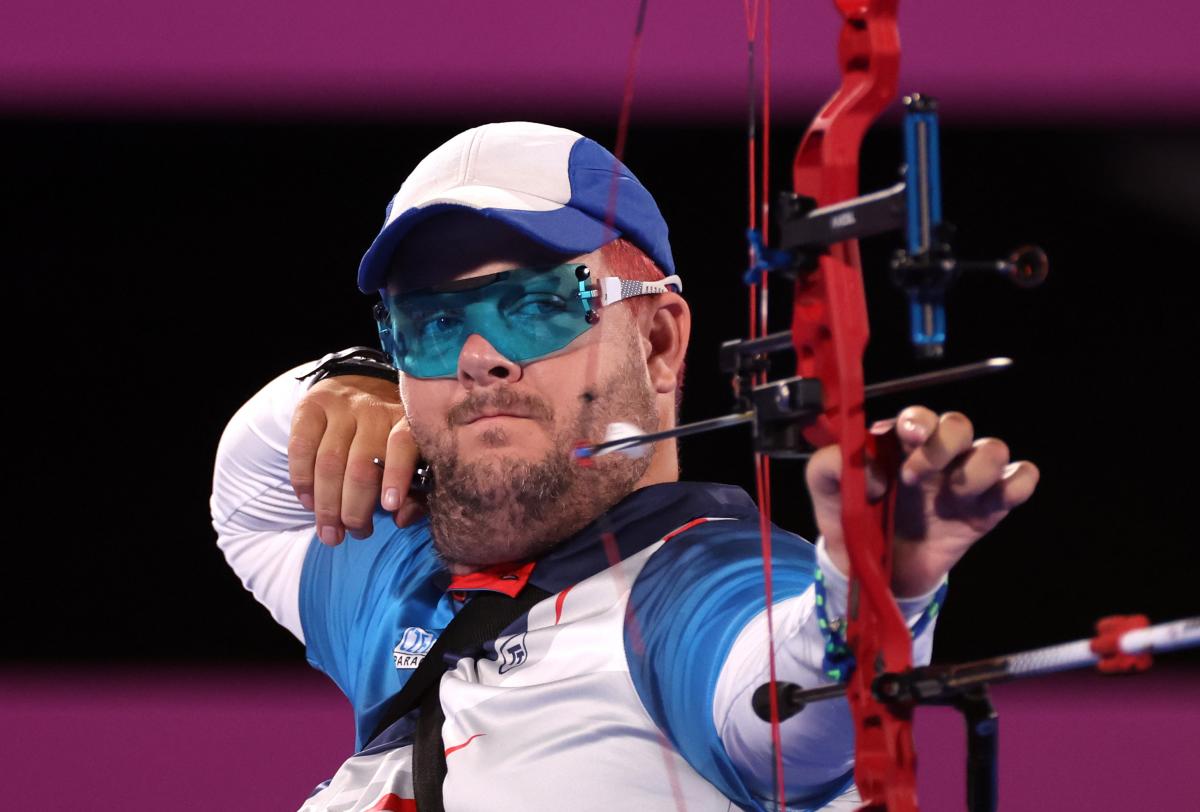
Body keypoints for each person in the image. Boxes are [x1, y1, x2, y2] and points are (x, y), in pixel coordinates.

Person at [210, 122, 1038, 811]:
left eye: (537, 305)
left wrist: (868, 592)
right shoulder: (396, 577)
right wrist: (347, 381)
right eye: (430, 325)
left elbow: (787, 720)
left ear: (659, 341)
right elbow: (243, 493)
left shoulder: (693, 590)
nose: (477, 358)